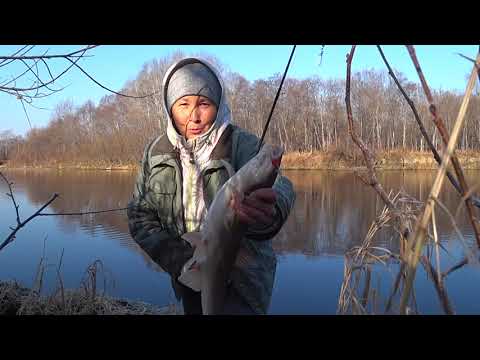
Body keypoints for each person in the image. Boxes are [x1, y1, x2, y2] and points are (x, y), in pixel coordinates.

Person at [127, 57, 295, 315]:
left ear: (218, 105)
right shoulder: (155, 152)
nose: (193, 116)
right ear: (170, 107)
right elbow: (140, 215)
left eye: (203, 104)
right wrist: (180, 259)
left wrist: (271, 213)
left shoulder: (242, 144)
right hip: (189, 277)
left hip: (243, 284)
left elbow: (283, 187)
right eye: (183, 104)